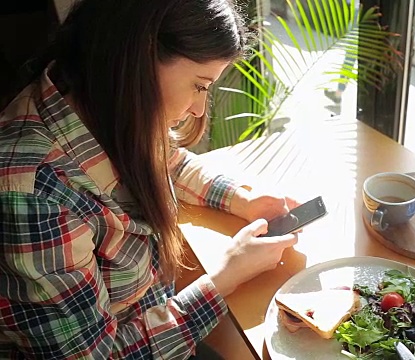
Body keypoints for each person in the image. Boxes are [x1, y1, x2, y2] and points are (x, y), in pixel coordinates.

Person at [0, 0, 301, 358]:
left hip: (153, 314)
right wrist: (224, 276)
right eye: (200, 85)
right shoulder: (35, 195)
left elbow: (167, 160)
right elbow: (96, 355)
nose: (199, 109)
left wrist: (240, 199)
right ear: (141, 58)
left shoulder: (100, 97)